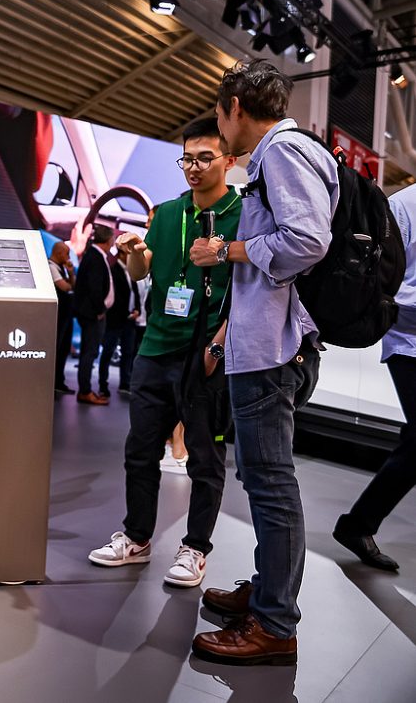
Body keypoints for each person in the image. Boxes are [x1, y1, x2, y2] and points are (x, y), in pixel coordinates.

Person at [188, 60, 337, 666]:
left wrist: (228, 249)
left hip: (272, 351)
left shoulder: (282, 152)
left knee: (271, 486)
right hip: (267, 345)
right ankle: (267, 590)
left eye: (219, 114)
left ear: (234, 107)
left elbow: (308, 240)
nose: (221, 128)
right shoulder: (282, 154)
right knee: (263, 480)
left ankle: (274, 624)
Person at [87, 117, 239, 588]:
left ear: (229, 161)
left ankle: (195, 549)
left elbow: (252, 290)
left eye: (205, 158)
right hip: (155, 349)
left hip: (205, 353)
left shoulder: (244, 213)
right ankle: (136, 538)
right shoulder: (170, 213)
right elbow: (141, 271)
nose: (194, 168)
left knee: (205, 459)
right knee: (140, 452)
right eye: (187, 159)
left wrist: (218, 346)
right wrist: (134, 250)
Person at [332, 176, 416, 572]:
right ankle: (357, 524)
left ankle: (357, 525)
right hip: (409, 341)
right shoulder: (404, 206)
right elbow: (386, 279)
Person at [72, 223, 115, 405]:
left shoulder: (94, 255)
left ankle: (86, 390)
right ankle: (85, 391)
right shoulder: (95, 257)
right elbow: (94, 287)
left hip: (92, 312)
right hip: (92, 314)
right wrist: (99, 310)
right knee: (89, 352)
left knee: (89, 352)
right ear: (109, 239)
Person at [98, 258, 139, 398]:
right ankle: (103, 384)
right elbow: (113, 295)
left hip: (130, 319)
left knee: (128, 352)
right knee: (108, 352)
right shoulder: (113, 269)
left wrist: (137, 309)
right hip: (115, 319)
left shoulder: (131, 271)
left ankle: (125, 383)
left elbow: (134, 292)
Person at [49, 241, 76, 395]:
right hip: (57, 316)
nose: (68, 257)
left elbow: (72, 285)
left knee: (64, 348)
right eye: (66, 253)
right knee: (57, 348)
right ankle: (53, 382)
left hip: (66, 314)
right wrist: (69, 281)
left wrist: (71, 273)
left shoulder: (62, 269)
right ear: (59, 253)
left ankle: (59, 381)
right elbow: (65, 287)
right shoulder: (51, 267)